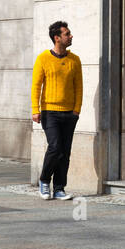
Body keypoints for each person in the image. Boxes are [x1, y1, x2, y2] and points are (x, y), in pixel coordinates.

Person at [31, 21, 82, 200]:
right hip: (49, 112)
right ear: (57, 38)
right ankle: (44, 180)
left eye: (69, 33)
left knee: (65, 151)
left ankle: (59, 188)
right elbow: (36, 86)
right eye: (67, 34)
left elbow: (79, 87)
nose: (71, 36)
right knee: (55, 147)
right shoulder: (43, 58)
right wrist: (35, 110)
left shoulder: (74, 60)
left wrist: (76, 110)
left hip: (69, 113)